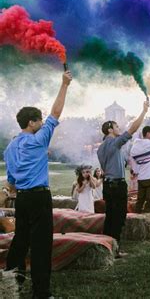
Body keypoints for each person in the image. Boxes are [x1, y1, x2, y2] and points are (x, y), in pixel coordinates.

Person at [4, 70, 72, 298]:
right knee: (41, 245)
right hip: (39, 197)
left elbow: (11, 182)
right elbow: (56, 112)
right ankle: (41, 293)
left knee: (20, 241)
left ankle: (11, 283)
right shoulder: (38, 138)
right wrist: (64, 85)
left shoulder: (10, 147)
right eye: (39, 120)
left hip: (21, 198)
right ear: (32, 123)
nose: (43, 123)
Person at [97, 100, 149, 257]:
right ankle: (115, 249)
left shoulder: (100, 148)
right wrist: (144, 111)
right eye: (117, 126)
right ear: (110, 130)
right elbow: (132, 129)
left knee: (110, 218)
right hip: (117, 186)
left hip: (108, 185)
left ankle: (108, 248)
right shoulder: (114, 142)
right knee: (118, 218)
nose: (119, 128)